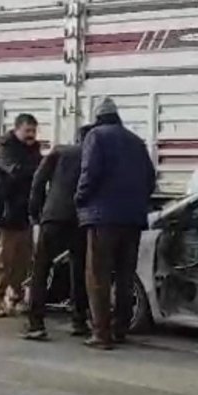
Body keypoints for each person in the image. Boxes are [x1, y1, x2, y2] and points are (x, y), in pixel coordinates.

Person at [75, 98, 156, 349]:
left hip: (102, 218)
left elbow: (90, 173)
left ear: (97, 117)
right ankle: (121, 328)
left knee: (97, 275)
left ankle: (101, 333)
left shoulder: (95, 136)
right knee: (124, 274)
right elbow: (150, 180)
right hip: (132, 219)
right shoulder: (136, 141)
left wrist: (79, 198)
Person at [25, 125, 92, 340]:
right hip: (81, 219)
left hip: (54, 216)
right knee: (79, 270)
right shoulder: (94, 155)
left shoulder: (60, 152)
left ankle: (36, 323)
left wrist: (36, 212)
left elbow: (38, 181)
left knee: (41, 268)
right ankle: (79, 321)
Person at [0, 113, 41, 318]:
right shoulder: (5, 147)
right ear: (17, 129)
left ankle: (15, 297)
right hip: (5, 212)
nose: (31, 135)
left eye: (33, 131)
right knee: (1, 260)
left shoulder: (32, 149)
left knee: (23, 261)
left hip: (24, 213)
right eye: (27, 131)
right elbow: (16, 171)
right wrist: (38, 170)